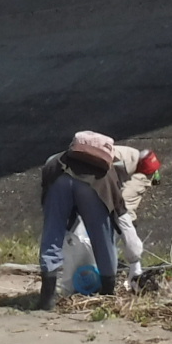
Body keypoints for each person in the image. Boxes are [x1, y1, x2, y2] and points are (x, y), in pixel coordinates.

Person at [36, 131, 127, 310]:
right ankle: (107, 293)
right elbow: (120, 218)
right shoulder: (110, 172)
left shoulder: (55, 160)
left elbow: (48, 197)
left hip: (59, 178)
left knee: (52, 233)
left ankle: (47, 298)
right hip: (93, 188)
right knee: (102, 238)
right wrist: (134, 259)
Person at [110, 145, 162, 283]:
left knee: (122, 210)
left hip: (141, 170)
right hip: (122, 208)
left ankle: (131, 268)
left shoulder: (122, 162)